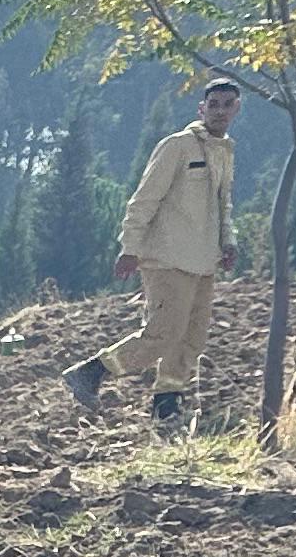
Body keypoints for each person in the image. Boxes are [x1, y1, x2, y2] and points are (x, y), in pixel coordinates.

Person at [64, 75, 244, 435]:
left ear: (236, 109)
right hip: (166, 258)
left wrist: (228, 242)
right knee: (163, 332)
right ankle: (93, 371)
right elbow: (144, 199)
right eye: (214, 105)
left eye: (227, 105)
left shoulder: (225, 150)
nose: (220, 112)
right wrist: (130, 248)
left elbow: (223, 204)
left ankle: (167, 402)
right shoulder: (177, 146)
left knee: (192, 336)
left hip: (203, 261)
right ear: (201, 108)